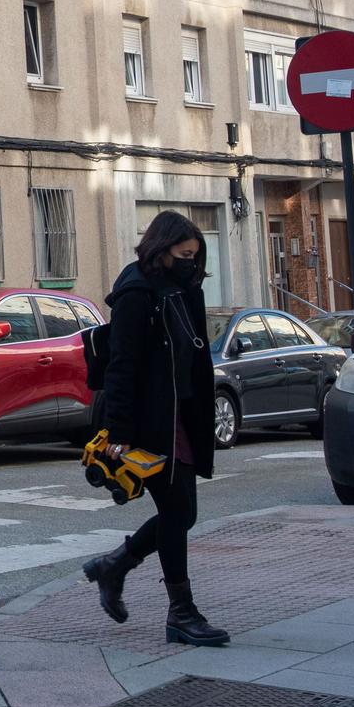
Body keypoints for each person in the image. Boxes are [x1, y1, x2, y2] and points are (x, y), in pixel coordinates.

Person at [81, 210, 231, 647]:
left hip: (181, 417)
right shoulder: (137, 292)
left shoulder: (183, 289)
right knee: (178, 512)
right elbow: (122, 366)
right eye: (184, 255)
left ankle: (116, 566)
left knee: (182, 513)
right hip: (150, 423)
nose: (192, 263)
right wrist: (119, 431)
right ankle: (180, 611)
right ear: (161, 250)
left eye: (196, 257)